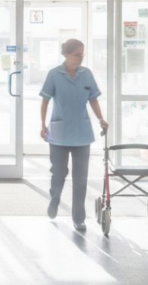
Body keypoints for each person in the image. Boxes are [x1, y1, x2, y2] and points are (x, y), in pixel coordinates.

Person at [39, 39, 109, 233]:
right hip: (59, 133)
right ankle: (55, 198)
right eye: (77, 54)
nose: (81, 57)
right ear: (67, 55)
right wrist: (43, 124)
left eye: (82, 54)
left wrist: (101, 118)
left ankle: (78, 218)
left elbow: (93, 99)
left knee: (81, 177)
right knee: (59, 172)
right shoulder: (54, 74)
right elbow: (44, 101)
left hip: (81, 133)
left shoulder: (86, 74)